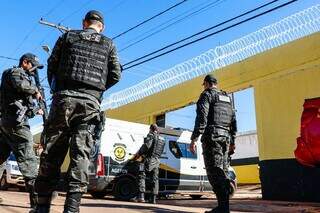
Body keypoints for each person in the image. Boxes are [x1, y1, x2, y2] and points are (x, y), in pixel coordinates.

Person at [34, 10, 121, 213]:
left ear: (84, 23)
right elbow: (116, 74)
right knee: (81, 156)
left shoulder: (68, 36)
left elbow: (51, 65)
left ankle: (42, 207)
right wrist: (95, 91)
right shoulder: (109, 44)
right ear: (102, 27)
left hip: (63, 100)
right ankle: (72, 209)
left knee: (52, 152)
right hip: (90, 106)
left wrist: (57, 90)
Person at [0, 53, 44, 211]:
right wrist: (35, 91)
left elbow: (24, 107)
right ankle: (36, 204)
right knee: (29, 161)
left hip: (8, 123)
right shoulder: (16, 72)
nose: (34, 71)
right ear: (25, 62)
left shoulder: (23, 77)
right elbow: (21, 86)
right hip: (15, 124)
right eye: (33, 66)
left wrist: (36, 110)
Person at [190, 74, 237, 213]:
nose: (203, 87)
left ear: (207, 83)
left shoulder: (207, 95)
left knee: (215, 173)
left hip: (213, 138)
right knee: (223, 170)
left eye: (204, 84)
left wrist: (194, 138)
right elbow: (234, 121)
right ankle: (223, 207)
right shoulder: (227, 98)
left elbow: (202, 118)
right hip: (225, 138)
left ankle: (223, 208)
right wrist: (233, 141)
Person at [132, 124, 165, 204]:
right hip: (157, 161)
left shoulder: (151, 135)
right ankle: (153, 199)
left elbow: (146, 146)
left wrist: (138, 154)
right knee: (155, 179)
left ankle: (141, 197)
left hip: (147, 159)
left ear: (151, 129)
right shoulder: (162, 139)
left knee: (141, 175)